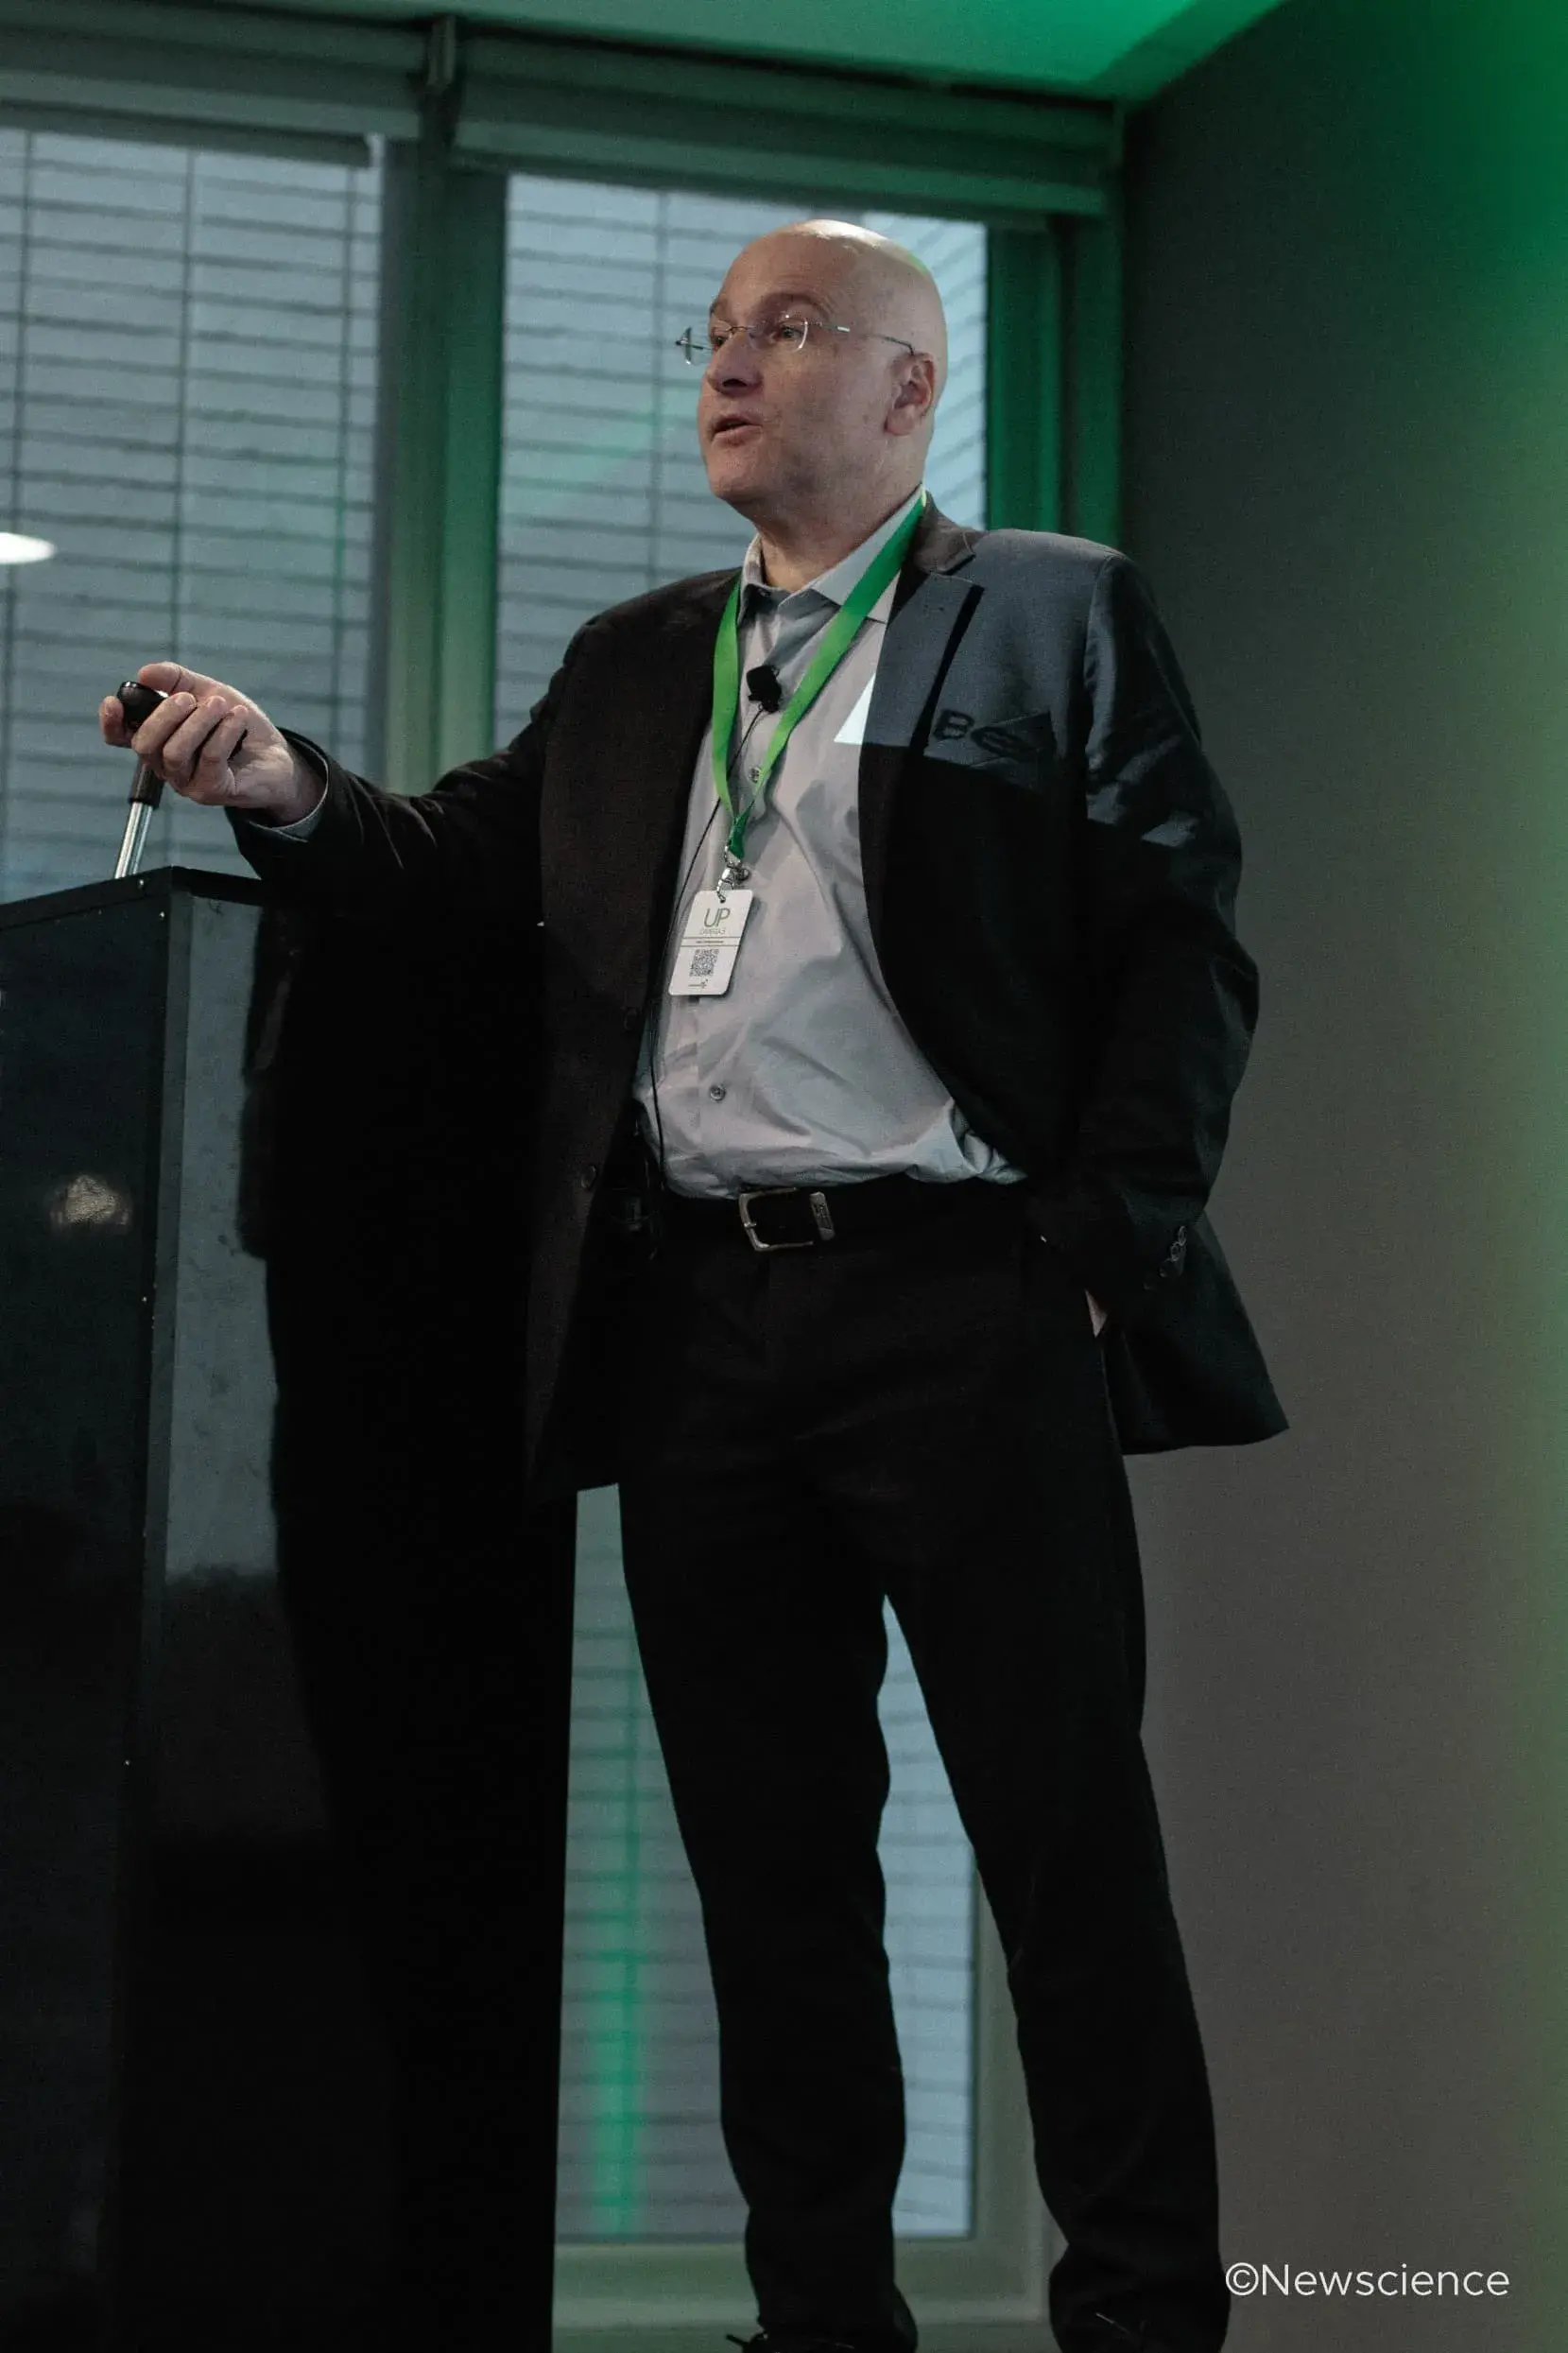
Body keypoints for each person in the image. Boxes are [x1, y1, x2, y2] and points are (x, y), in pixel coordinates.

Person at [101, 218, 1286, 2353]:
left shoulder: (1045, 612)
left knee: (1062, 1845)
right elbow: (456, 867)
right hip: (706, 1326)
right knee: (770, 1868)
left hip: (964, 1294)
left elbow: (1179, 942)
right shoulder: (642, 656)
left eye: (790, 330)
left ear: (911, 389)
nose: (731, 366)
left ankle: (1141, 2318)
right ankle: (818, 2317)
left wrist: (1096, 1253)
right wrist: (278, 779)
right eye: (715, 333)